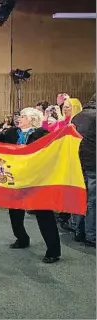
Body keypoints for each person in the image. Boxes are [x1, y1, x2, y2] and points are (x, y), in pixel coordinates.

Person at [0, 107, 61, 263]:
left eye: (23, 116)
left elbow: (50, 152)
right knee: (14, 211)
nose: (19, 118)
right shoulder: (12, 132)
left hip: (36, 180)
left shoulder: (42, 134)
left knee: (44, 214)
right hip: (16, 179)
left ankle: (53, 251)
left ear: (32, 119)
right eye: (19, 116)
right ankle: (22, 238)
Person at [71, 94, 96, 247]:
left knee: (80, 195)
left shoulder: (77, 117)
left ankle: (77, 230)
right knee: (93, 201)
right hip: (93, 162)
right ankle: (91, 235)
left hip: (78, 161)